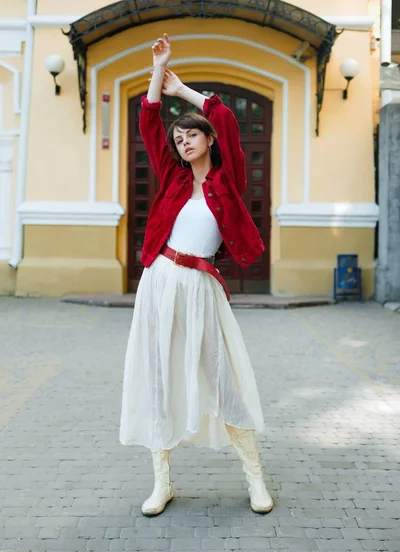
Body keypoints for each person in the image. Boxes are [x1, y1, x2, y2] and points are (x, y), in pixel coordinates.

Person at [119, 33, 273, 517]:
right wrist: (156, 69)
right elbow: (148, 124)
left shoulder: (229, 180)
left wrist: (182, 91)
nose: (183, 141)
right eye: (178, 137)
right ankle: (162, 482)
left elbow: (225, 118)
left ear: (208, 139)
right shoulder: (173, 179)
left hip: (202, 288)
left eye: (191, 134)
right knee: (159, 379)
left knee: (224, 380)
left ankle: (255, 480)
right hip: (160, 282)